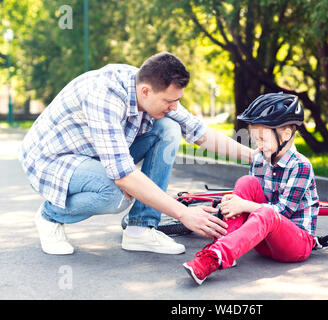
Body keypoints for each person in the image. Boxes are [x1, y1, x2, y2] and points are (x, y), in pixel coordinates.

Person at [18, 52, 255, 255]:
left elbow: (199, 132)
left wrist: (258, 157)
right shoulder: (105, 96)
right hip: (53, 159)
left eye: (177, 101)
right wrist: (184, 214)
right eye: (170, 101)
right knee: (116, 193)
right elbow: (122, 175)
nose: (174, 107)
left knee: (169, 128)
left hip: (93, 151)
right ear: (145, 92)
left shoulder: (152, 87)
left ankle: (141, 229)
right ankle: (50, 216)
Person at [183, 92, 319, 285]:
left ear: (286, 135)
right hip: (263, 243)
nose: (258, 145)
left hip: (295, 244)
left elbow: (283, 212)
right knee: (247, 182)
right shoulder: (259, 159)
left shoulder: (301, 166)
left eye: (263, 139)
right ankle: (224, 242)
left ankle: (214, 258)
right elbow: (251, 202)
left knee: (266, 214)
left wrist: (244, 205)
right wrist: (236, 204)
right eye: (256, 139)